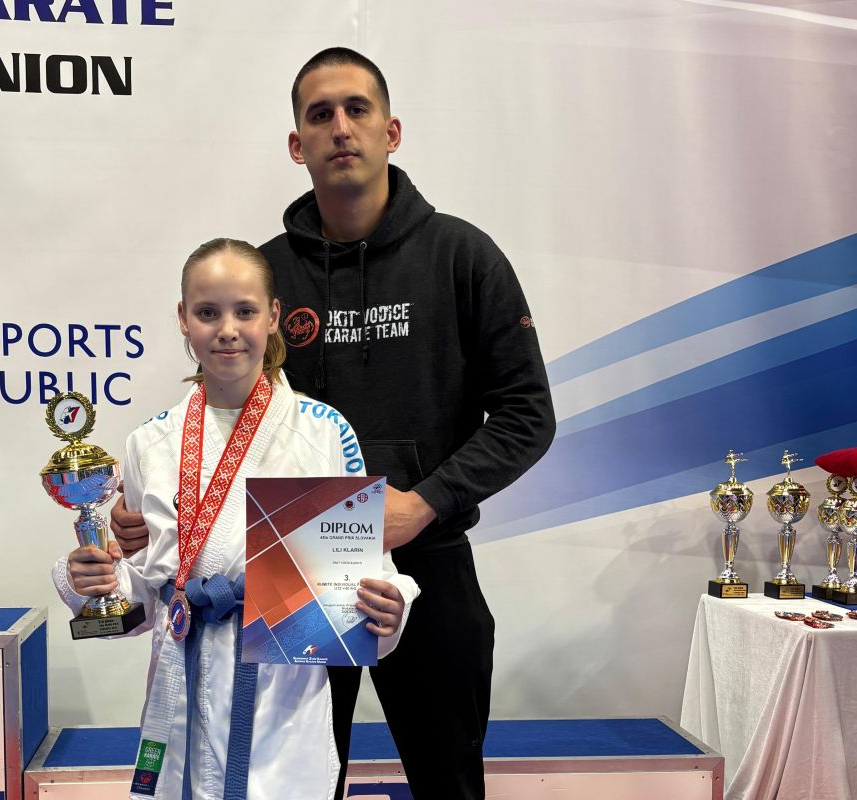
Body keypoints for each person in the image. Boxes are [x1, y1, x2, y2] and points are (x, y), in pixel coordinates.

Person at [113, 49, 555, 800]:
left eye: (357, 109)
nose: (341, 128)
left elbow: (527, 415)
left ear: (392, 130)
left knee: (449, 781)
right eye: (320, 115)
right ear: (298, 144)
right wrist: (163, 517)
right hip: (288, 575)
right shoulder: (266, 273)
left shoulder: (462, 256)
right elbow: (227, 421)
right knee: (295, 782)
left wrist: (426, 503)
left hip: (428, 561)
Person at [53, 238, 419, 800]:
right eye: (208, 312)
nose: (228, 329)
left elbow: (364, 568)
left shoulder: (325, 432)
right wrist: (100, 583)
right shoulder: (150, 442)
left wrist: (388, 607)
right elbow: (151, 591)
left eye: (245, 311)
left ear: (273, 316)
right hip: (180, 682)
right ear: (183, 319)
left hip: (282, 695)